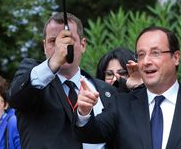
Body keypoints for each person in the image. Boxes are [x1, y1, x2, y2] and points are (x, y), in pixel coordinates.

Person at [75, 26, 181, 149]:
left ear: (175, 57)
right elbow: (91, 134)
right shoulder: (121, 105)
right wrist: (84, 112)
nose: (146, 61)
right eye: (140, 55)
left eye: (155, 53)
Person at [8, 12, 117, 149]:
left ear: (83, 45)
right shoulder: (33, 80)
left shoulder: (106, 90)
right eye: (53, 41)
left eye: (68, 40)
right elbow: (15, 98)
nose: (61, 47)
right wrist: (54, 62)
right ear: (44, 46)